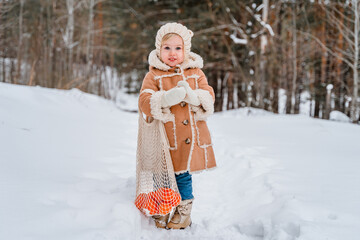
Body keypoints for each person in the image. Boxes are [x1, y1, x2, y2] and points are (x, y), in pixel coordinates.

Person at [138, 22, 217, 229]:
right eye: (167, 48)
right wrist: (162, 100)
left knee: (182, 175)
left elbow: (208, 95)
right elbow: (144, 100)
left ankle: (183, 213)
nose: (172, 53)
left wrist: (195, 96)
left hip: (187, 137)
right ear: (158, 49)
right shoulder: (153, 75)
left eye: (178, 48)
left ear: (186, 50)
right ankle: (162, 208)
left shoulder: (195, 72)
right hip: (163, 138)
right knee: (162, 175)